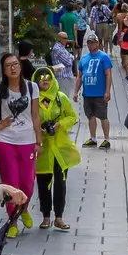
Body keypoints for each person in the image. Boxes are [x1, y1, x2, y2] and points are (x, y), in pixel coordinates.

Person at [0, 53, 39, 229]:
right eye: (8, 66)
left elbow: (36, 116)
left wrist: (38, 142)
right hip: (6, 141)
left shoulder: (32, 87)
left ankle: (24, 208)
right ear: (4, 70)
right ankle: (12, 221)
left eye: (15, 64)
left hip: (27, 140)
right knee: (10, 181)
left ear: (20, 66)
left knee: (27, 182)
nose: (13, 68)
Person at [33, 67, 82, 232]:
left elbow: (72, 116)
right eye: (41, 78)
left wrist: (59, 125)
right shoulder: (32, 100)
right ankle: (46, 216)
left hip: (60, 147)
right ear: (36, 81)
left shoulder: (61, 98)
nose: (45, 80)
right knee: (43, 183)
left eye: (48, 77)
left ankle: (59, 217)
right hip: (43, 148)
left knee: (60, 182)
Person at [78, 34, 117, 147]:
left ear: (97, 43)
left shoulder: (103, 57)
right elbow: (80, 76)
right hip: (87, 93)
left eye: (93, 42)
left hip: (99, 93)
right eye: (89, 42)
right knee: (90, 116)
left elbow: (108, 74)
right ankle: (93, 138)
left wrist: (107, 91)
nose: (91, 44)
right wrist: (76, 91)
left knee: (103, 116)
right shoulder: (84, 58)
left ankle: (106, 139)